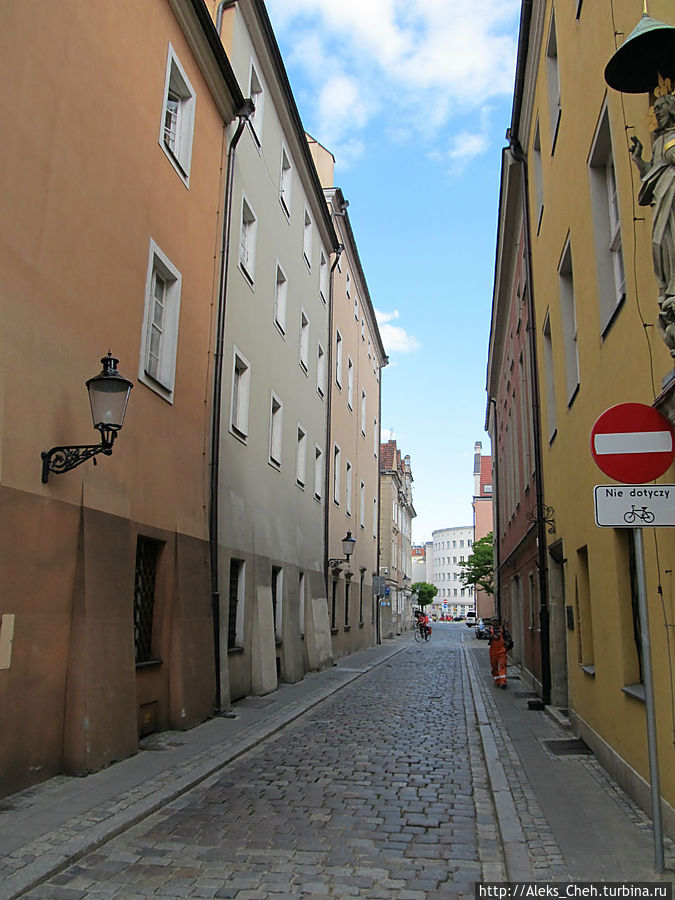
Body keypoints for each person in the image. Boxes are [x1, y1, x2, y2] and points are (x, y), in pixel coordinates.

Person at [630, 92, 675, 356]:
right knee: (660, 245)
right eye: (655, 109)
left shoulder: (668, 139)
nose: (656, 113)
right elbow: (653, 173)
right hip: (663, 198)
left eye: (661, 108)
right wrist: (639, 160)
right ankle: (669, 290)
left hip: (672, 196)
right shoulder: (660, 141)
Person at [487, 617, 512, 688]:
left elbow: (508, 638)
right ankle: (497, 681)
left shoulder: (503, 629)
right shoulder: (490, 629)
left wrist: (506, 646)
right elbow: (485, 635)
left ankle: (503, 682)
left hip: (501, 651)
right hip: (493, 651)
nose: (495, 622)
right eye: (493, 621)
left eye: (496, 621)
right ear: (491, 622)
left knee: (502, 665)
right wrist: (492, 636)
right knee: (494, 667)